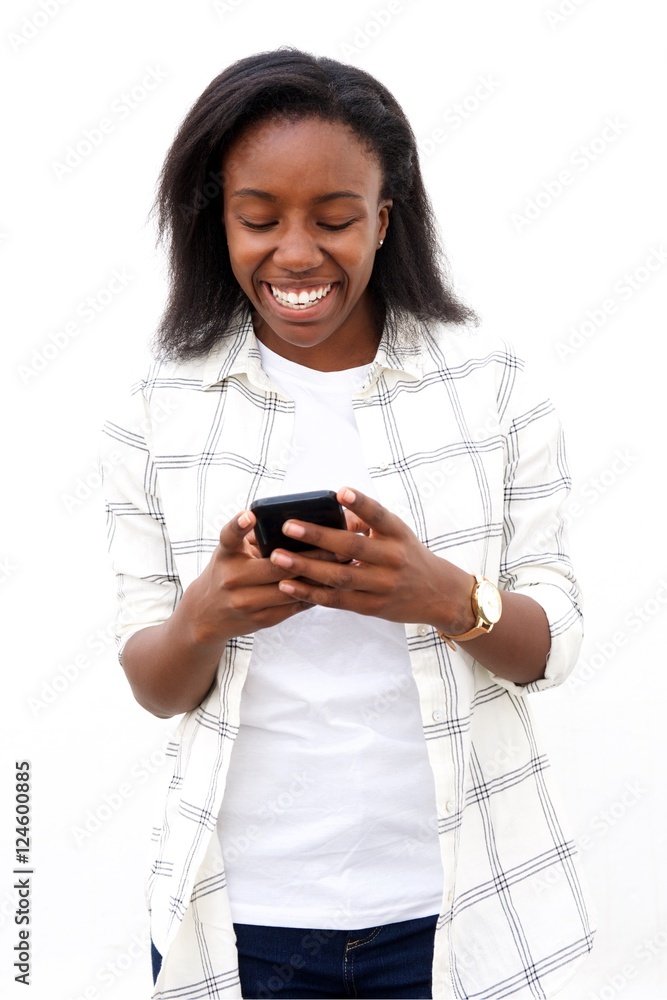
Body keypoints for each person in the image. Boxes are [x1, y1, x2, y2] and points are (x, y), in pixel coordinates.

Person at [102, 48, 595, 1000]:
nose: (295, 253)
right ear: (219, 223)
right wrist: (204, 615)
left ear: (382, 218)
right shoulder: (155, 409)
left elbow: (556, 646)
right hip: (242, 921)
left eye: (333, 219)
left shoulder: (491, 387)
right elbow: (154, 685)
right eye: (258, 219)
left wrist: (447, 598)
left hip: (461, 910)